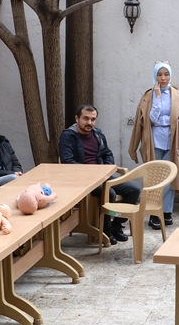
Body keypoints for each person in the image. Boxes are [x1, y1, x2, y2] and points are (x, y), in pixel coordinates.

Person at [59, 104, 140, 244]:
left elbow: (107, 153)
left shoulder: (98, 134)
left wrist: (106, 167)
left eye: (93, 119)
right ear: (77, 118)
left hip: (103, 177)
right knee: (110, 193)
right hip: (81, 180)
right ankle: (105, 230)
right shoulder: (68, 136)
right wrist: (93, 172)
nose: (89, 122)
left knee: (134, 190)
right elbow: (67, 162)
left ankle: (116, 225)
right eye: (85, 118)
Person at [128, 62, 179, 229]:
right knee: (154, 178)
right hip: (154, 141)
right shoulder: (148, 96)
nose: (163, 78)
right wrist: (157, 97)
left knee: (169, 179)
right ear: (155, 76)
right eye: (159, 74)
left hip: (172, 141)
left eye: (166, 74)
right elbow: (152, 119)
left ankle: (166, 211)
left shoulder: (177, 95)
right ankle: (153, 213)